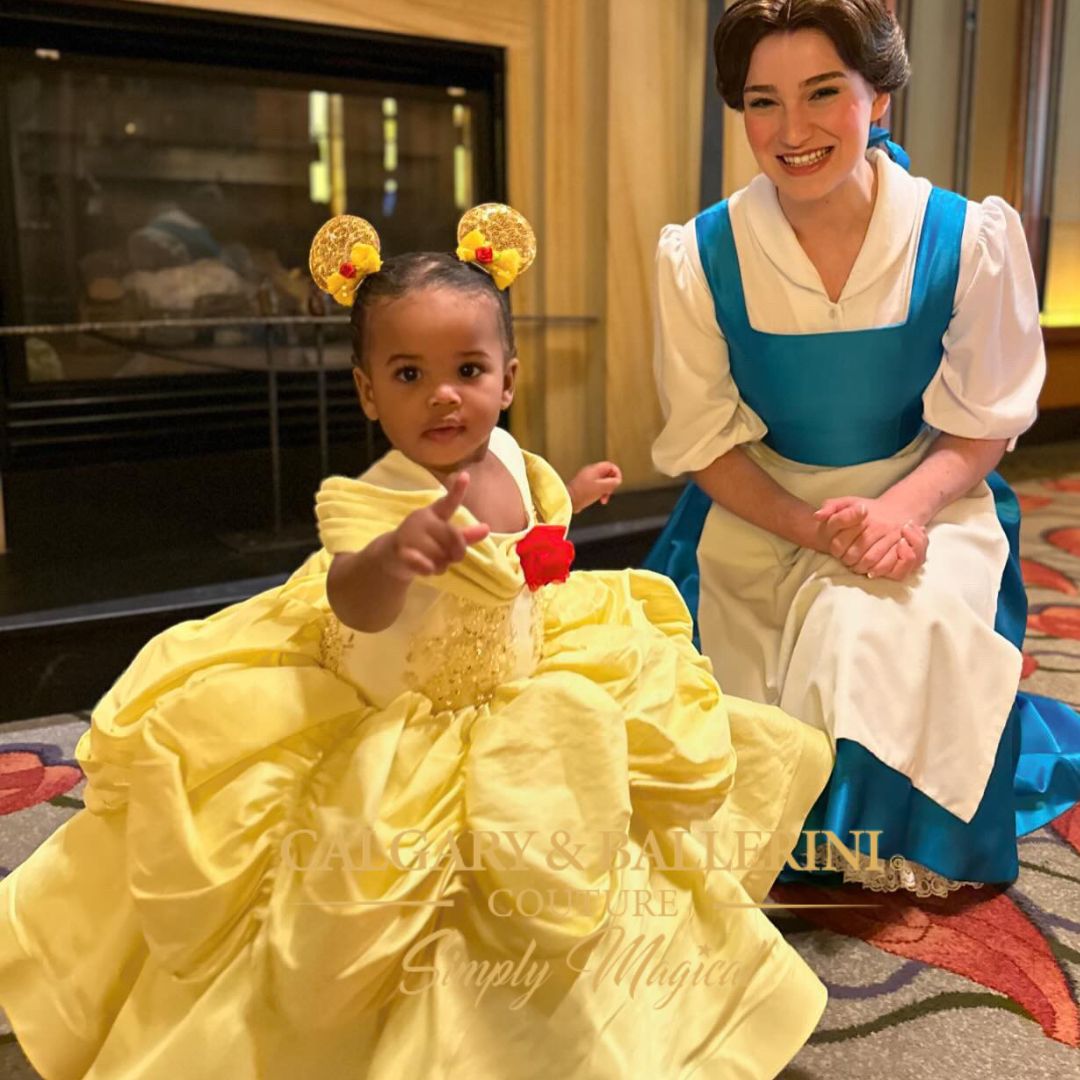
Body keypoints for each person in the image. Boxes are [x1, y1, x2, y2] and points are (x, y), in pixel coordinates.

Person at [0, 203, 834, 1080]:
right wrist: (396, 557)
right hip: (402, 707)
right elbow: (351, 599)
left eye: (467, 369)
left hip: (522, 674)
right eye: (408, 373)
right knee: (371, 889)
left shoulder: (507, 456)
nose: (443, 394)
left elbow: (531, 533)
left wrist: (574, 499)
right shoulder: (377, 497)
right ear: (367, 391)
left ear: (507, 379)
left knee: (598, 822)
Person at [647, 0, 1080, 897]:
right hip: (763, 506)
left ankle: (870, 836)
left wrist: (898, 512)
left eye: (821, 93)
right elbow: (705, 446)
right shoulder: (700, 255)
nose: (792, 130)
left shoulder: (967, 239)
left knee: (861, 634)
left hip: (926, 495)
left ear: (877, 96)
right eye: (763, 102)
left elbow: (982, 424)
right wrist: (818, 530)